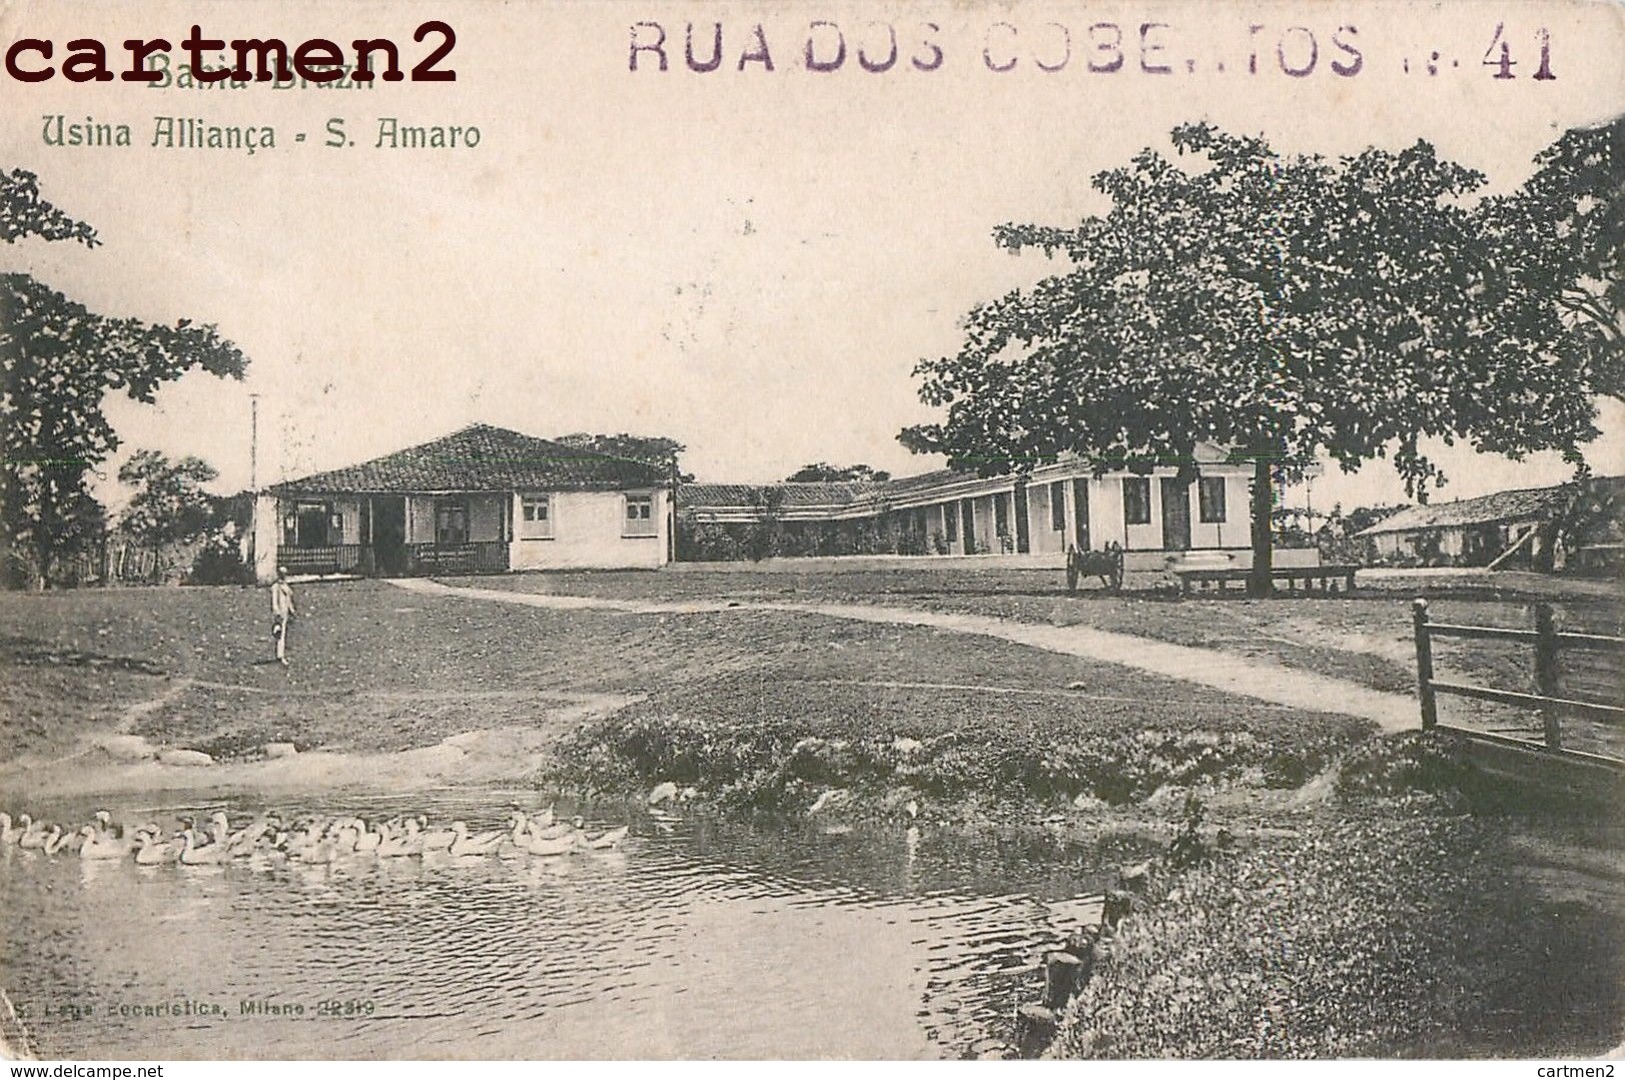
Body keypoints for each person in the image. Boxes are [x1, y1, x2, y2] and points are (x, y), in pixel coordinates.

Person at [270, 568, 296, 667]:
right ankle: (280, 655)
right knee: (280, 632)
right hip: (280, 612)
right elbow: (274, 600)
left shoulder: (285, 586)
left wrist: (291, 610)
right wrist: (276, 611)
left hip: (285, 611)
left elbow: (288, 599)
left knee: (283, 632)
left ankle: (280, 654)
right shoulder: (276, 586)